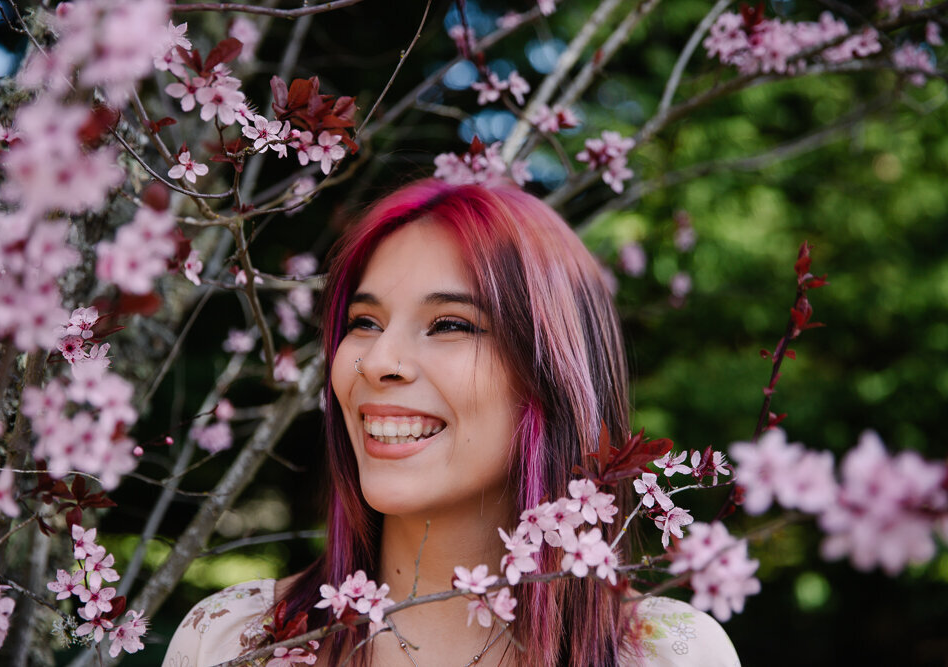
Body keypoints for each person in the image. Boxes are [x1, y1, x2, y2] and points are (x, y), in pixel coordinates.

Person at [163, 180, 740, 666]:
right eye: (364, 322)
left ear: (552, 376)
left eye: (450, 325)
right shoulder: (231, 643)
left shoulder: (668, 655)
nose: (381, 361)